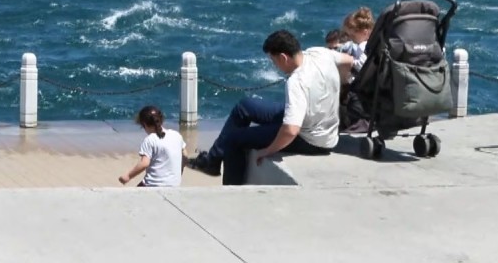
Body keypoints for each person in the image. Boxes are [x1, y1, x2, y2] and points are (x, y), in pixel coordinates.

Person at [192, 30, 352, 185]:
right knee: (244, 107)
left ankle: (233, 191)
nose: (275, 66)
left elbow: (291, 130)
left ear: (283, 57)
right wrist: (344, 84)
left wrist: (267, 151)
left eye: (274, 61)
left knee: (234, 139)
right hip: (323, 126)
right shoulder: (320, 53)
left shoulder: (297, 82)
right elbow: (348, 60)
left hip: (311, 140)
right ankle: (212, 162)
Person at [118, 105, 185, 187]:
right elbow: (185, 156)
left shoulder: (150, 140)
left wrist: (128, 176)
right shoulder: (176, 135)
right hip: (174, 184)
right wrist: (179, 172)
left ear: (144, 124)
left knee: (133, 193)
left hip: (153, 184)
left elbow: (144, 163)